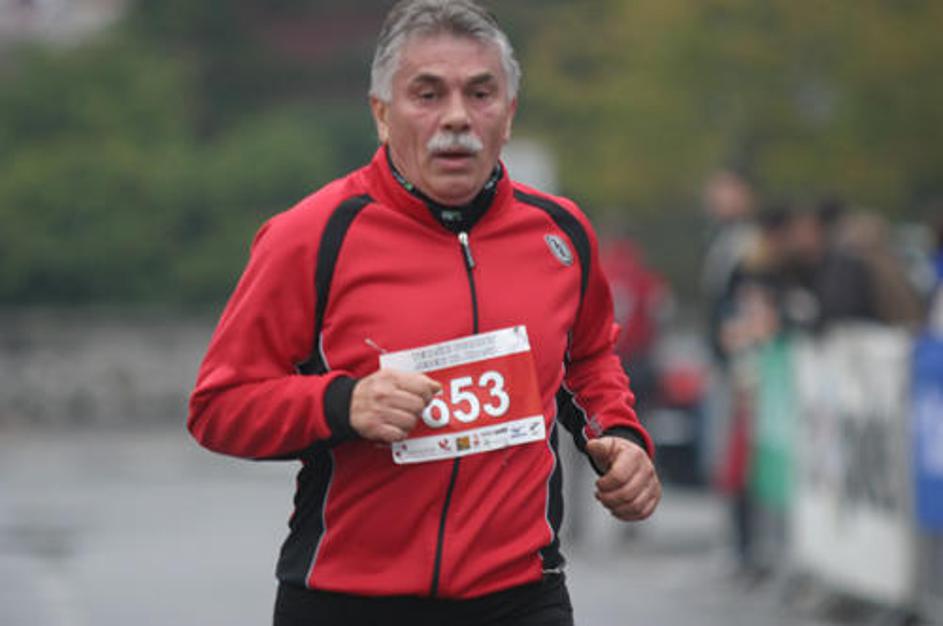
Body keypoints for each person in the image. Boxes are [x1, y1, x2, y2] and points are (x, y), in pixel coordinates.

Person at [187, 2, 660, 625]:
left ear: (509, 114)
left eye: (480, 94)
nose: (457, 118)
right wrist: (342, 404)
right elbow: (218, 407)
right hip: (348, 600)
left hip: (522, 596)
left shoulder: (561, 233)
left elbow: (588, 359)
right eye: (428, 94)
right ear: (382, 114)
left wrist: (621, 436)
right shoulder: (311, 236)